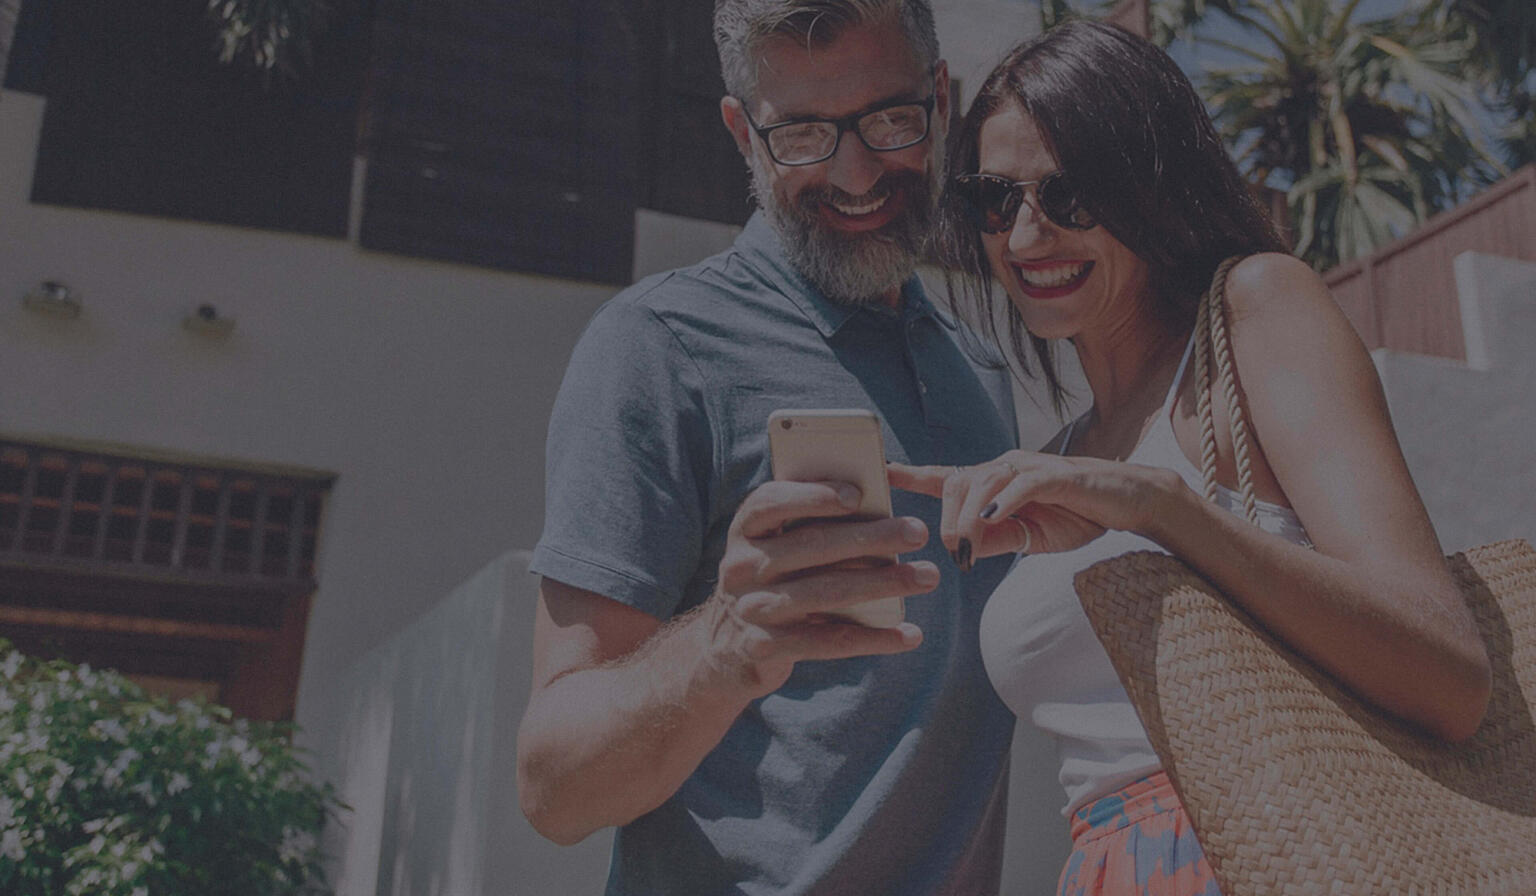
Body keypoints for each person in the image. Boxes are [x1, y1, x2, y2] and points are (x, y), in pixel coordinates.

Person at [888, 20, 1494, 896]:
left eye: (1070, 196)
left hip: (1286, 850)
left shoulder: (1257, 310)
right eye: (994, 199)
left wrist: (1167, 507)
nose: (1025, 239)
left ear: (1152, 185)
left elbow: (1451, 673)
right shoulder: (1063, 457)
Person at [516, 2, 1023, 893]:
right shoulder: (658, 345)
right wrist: (724, 643)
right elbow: (554, 788)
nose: (856, 170)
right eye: (801, 134)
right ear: (740, 133)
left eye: (889, 119)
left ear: (942, 101)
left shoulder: (982, 377)